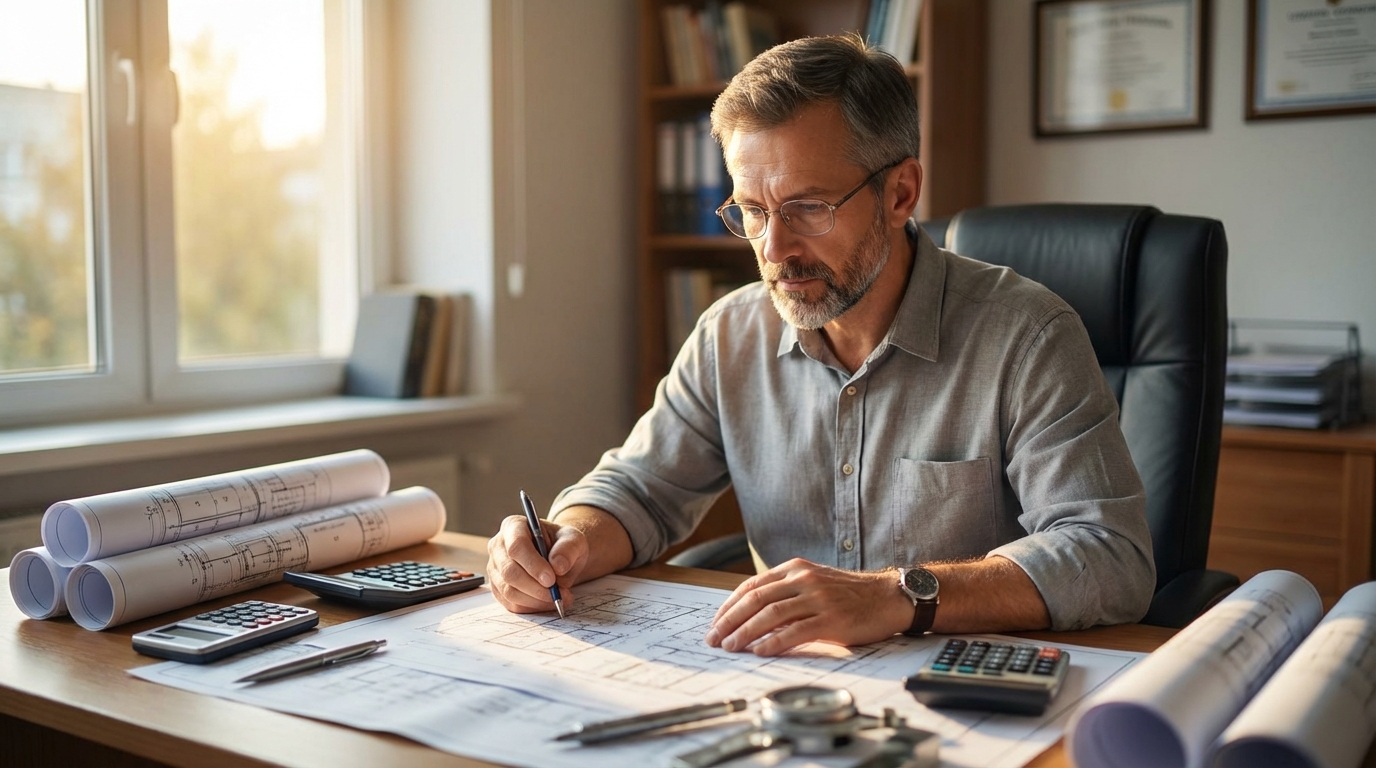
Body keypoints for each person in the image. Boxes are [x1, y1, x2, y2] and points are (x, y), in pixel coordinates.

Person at [487, 33, 1154, 656]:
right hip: (785, 692)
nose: (774, 249)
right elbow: (640, 487)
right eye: (751, 210)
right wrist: (567, 537)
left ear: (901, 192)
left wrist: (894, 595)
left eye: (807, 207)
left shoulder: (1027, 335)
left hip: (967, 691)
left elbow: (1108, 555)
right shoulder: (729, 334)